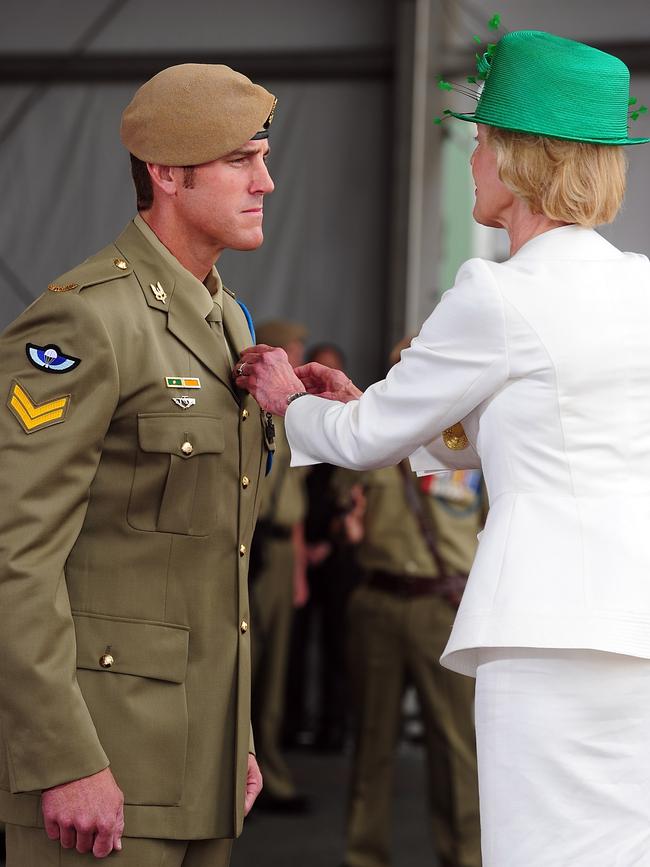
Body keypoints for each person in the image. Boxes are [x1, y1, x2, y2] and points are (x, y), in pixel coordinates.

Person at [235, 30, 650, 866]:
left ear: (522, 159)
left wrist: (287, 404)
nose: (472, 159)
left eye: (483, 140)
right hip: (632, 623)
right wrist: (389, 416)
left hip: (543, 629)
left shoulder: (495, 292)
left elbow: (361, 440)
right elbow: (528, 426)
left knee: (538, 849)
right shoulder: (639, 284)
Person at [0, 62, 277, 866]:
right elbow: (17, 555)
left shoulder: (226, 319)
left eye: (261, 155)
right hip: (101, 765)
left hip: (201, 758)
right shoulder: (85, 319)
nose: (265, 179)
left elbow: (212, 563)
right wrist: (65, 758)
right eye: (239, 159)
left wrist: (237, 738)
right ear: (165, 174)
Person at [338, 338, 483, 867]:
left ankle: (466, 854)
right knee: (372, 742)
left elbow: (496, 523)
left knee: (456, 745)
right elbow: (342, 508)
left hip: (442, 608)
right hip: (378, 600)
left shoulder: (466, 441)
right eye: (400, 369)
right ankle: (363, 854)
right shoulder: (369, 434)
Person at [249, 320, 311, 812]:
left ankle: (269, 768)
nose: (298, 354)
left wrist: (298, 573)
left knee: (274, 672)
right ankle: (241, 768)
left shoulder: (293, 409)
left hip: (280, 549)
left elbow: (295, 498)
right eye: (291, 347)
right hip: (250, 545)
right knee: (243, 665)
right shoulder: (253, 401)